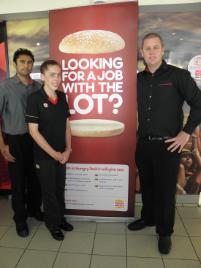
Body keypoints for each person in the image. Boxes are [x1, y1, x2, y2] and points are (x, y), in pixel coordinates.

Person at [128, 33, 201, 254]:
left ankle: (165, 232)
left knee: (166, 192)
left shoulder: (178, 76)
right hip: (144, 144)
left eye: (155, 47)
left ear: (162, 49)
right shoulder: (138, 79)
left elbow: (198, 104)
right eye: (147, 48)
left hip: (169, 145)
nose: (151, 52)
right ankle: (148, 218)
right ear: (142, 52)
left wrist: (185, 133)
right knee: (148, 187)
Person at [25, 59, 73, 241]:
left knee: (60, 188)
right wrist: (54, 154)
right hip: (44, 157)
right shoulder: (35, 99)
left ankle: (61, 219)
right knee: (49, 191)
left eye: (59, 75)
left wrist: (68, 149)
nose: (56, 78)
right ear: (43, 76)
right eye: (52, 75)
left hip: (62, 154)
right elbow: (33, 131)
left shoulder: (62, 97)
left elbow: (67, 125)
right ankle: (53, 224)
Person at [0, 48, 43, 237]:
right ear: (15, 64)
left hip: (35, 140)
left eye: (29, 62)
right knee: (18, 182)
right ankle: (20, 219)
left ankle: (34, 209)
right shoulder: (5, 86)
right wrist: (3, 145)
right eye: (22, 62)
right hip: (14, 140)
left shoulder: (38, 86)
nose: (26, 65)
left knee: (35, 179)